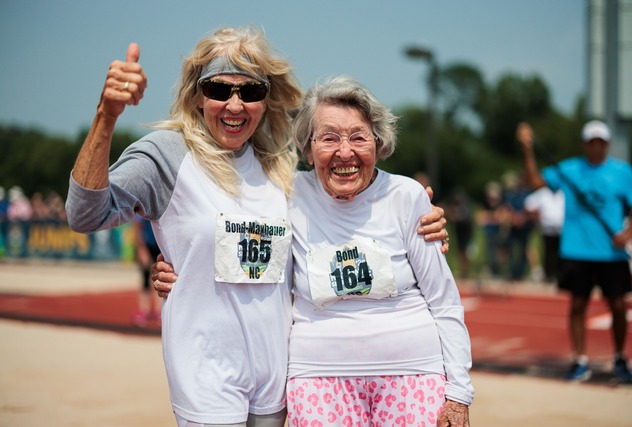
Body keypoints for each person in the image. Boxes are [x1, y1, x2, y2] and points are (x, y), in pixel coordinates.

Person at [65, 27, 449, 427]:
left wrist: (416, 213)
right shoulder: (166, 155)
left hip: (274, 378)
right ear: (197, 95)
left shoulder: (278, 166)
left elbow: (345, 205)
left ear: (265, 100)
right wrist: (106, 115)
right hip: (206, 372)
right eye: (219, 89)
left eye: (250, 91)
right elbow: (84, 214)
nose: (235, 105)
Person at [154, 76, 474, 426]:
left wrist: (459, 393)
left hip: (413, 373)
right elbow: (233, 230)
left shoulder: (407, 197)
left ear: (378, 143)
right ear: (308, 149)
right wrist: (178, 266)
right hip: (318, 379)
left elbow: (444, 301)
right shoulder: (287, 194)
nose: (345, 153)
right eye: (329, 138)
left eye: (358, 137)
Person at [516, 120, 632, 383]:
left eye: (601, 142)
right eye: (591, 142)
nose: (596, 147)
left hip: (611, 253)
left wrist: (628, 232)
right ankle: (580, 361)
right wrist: (527, 149)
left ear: (607, 144)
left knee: (618, 305)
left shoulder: (622, 172)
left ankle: (620, 357)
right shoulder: (569, 168)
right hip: (576, 250)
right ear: (584, 144)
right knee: (578, 304)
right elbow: (535, 181)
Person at [524, 187, 564, 282]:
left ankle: (559, 274)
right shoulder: (543, 193)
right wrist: (535, 216)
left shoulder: (563, 193)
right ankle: (549, 274)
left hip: (561, 229)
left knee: (561, 253)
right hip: (547, 228)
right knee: (548, 252)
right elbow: (529, 203)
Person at [131, 215, 162, 327]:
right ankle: (144, 310)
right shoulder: (141, 211)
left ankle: (159, 311)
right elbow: (137, 227)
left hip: (159, 246)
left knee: (159, 278)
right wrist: (141, 249)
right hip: (147, 245)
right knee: (145, 279)